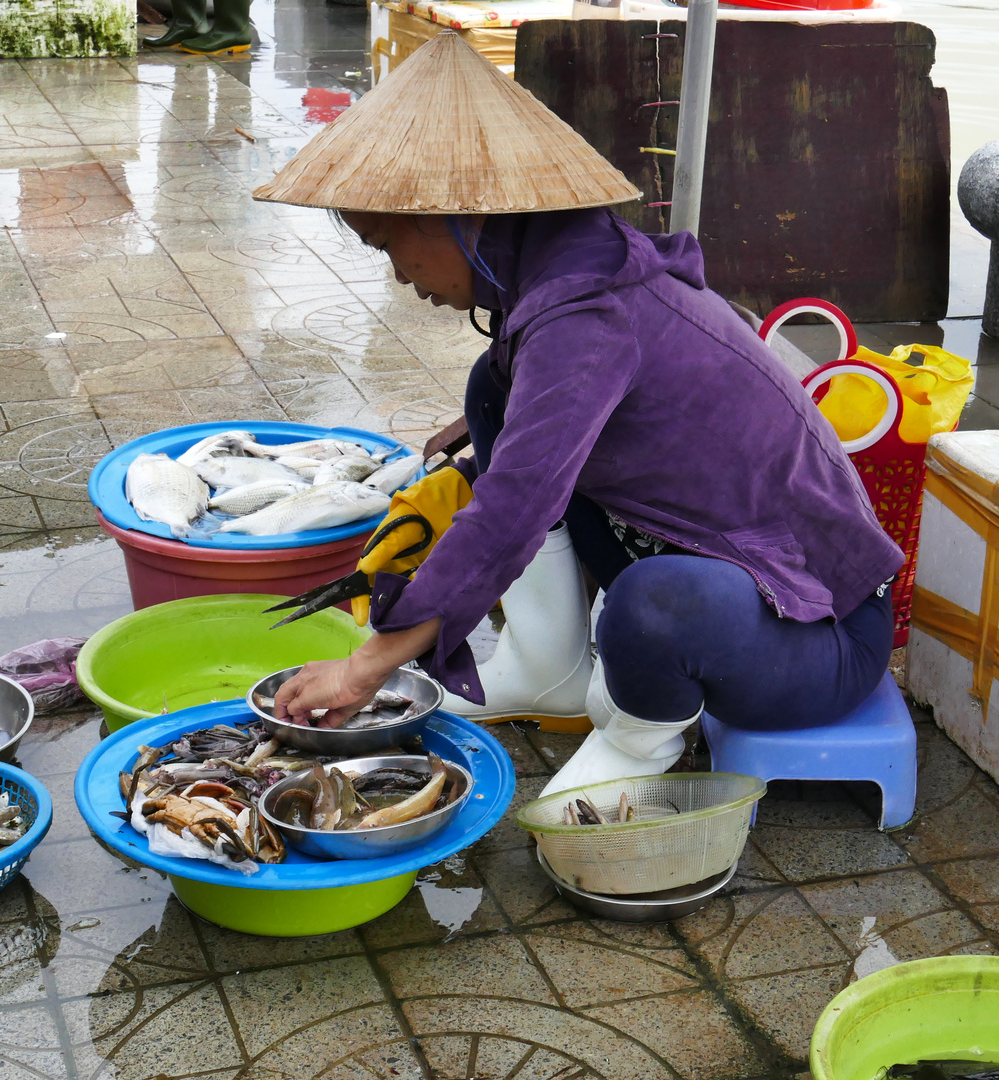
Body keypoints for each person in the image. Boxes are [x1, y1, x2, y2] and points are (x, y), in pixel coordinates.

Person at [254, 32, 903, 797]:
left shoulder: (587, 317)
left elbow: (512, 511)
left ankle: (639, 744)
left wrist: (366, 666)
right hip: (722, 568)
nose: (399, 275)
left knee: (652, 605)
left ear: (450, 215)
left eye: (388, 244)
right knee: (489, 391)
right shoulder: (569, 276)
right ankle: (549, 666)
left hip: (815, 637)